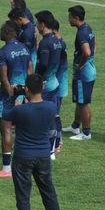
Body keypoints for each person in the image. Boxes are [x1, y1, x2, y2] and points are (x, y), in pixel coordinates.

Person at [4, 74, 62, 210]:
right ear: (42, 88)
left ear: (27, 89)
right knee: (48, 191)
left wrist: (13, 98)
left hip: (23, 156)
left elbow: (5, 114)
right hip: (43, 155)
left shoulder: (20, 110)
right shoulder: (51, 107)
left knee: (23, 196)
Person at [0, 22, 32, 179]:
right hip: (24, 93)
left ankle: (6, 169)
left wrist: (10, 95)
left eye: (2, 30)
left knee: (6, 131)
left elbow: (4, 79)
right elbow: (30, 72)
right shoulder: (24, 48)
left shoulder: (3, 52)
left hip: (8, 96)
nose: (0, 33)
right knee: (22, 131)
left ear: (8, 32)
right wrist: (25, 95)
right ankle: (23, 165)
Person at [63, 5, 96, 141]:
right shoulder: (87, 27)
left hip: (84, 73)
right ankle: (75, 126)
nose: (69, 19)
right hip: (90, 70)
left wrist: (80, 65)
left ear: (76, 18)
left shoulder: (81, 33)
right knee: (80, 101)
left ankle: (86, 133)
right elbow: (94, 44)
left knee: (83, 103)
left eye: (70, 17)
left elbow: (87, 51)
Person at [34, 10, 62, 158]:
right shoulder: (57, 40)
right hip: (54, 82)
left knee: (46, 117)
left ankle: (50, 150)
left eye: (37, 23)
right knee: (54, 115)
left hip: (45, 85)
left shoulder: (45, 42)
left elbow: (43, 64)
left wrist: (37, 79)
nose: (36, 25)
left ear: (42, 24)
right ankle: (55, 144)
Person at [53, 20, 68, 151]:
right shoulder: (61, 42)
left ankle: (58, 141)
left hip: (57, 83)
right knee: (55, 113)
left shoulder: (58, 44)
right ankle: (58, 140)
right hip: (60, 82)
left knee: (55, 114)